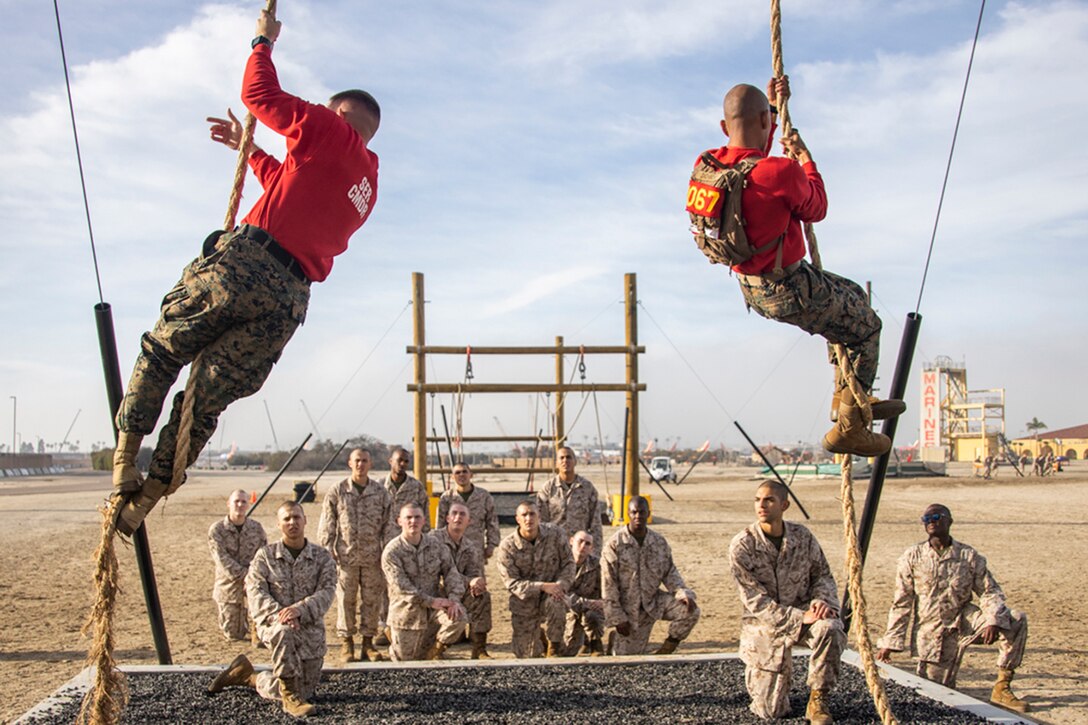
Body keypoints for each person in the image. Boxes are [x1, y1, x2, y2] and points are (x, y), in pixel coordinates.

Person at [110, 9, 381, 536]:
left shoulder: (329, 128)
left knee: (165, 347)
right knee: (205, 402)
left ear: (340, 112)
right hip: (287, 303)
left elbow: (259, 94)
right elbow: (289, 181)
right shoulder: (366, 182)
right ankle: (148, 494)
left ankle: (127, 452)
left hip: (245, 268)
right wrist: (249, 149)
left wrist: (263, 41)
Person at [689, 77, 902, 458]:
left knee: (850, 293)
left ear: (724, 127)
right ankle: (850, 429)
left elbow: (753, 161)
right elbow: (817, 206)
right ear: (763, 122)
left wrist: (771, 107)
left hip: (751, 284)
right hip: (788, 287)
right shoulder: (783, 172)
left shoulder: (709, 164)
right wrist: (806, 159)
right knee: (867, 326)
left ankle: (849, 396)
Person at [876, 504, 1029, 713]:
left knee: (1015, 619)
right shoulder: (912, 557)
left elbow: (989, 590)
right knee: (938, 697)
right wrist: (890, 642)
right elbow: (902, 602)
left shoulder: (968, 556)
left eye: (937, 516)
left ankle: (1002, 687)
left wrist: (992, 619)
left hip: (964, 620)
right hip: (932, 633)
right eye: (926, 518)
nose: (931, 521)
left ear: (949, 521)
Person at [207, 500, 336, 718]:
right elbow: (256, 592)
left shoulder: (322, 557)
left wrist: (299, 610)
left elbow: (327, 591)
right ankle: (290, 699)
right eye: (286, 518)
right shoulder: (264, 557)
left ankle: (248, 676)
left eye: (296, 517)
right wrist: (282, 616)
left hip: (309, 629)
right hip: (274, 625)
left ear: (305, 521)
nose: (292, 522)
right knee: (284, 641)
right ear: (279, 524)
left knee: (306, 690)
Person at [728, 481, 843, 723]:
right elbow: (755, 600)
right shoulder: (742, 546)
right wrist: (799, 617)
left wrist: (821, 602)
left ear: (784, 505)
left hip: (805, 612)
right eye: (758, 499)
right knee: (771, 712)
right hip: (764, 624)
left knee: (830, 628)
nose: (761, 505)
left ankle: (818, 699)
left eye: (769, 500)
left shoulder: (803, 537)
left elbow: (822, 575)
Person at [317, 448, 395, 663]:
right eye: (357, 461)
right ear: (350, 463)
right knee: (345, 601)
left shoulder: (380, 493)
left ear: (370, 464)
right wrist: (327, 548)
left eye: (365, 461)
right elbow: (327, 522)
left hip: (373, 557)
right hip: (345, 558)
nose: (361, 464)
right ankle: (347, 643)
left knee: (372, 601)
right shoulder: (338, 490)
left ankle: (368, 644)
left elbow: (389, 525)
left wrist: (387, 552)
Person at [602, 496, 699, 657]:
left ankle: (667, 649)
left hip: (653, 601)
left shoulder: (658, 542)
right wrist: (617, 618)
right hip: (629, 609)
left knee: (691, 611)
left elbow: (670, 573)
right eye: (634, 512)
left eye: (642, 512)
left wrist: (682, 593)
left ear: (648, 513)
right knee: (627, 660)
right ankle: (615, 641)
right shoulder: (614, 545)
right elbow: (608, 584)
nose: (638, 516)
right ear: (628, 514)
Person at [380, 503, 466, 661]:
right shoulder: (392, 551)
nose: (413, 521)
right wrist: (431, 601)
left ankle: (435, 652)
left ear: (424, 520)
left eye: (417, 517)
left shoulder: (436, 545)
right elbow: (402, 588)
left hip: (433, 612)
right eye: (409, 518)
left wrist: (454, 600)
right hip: (406, 614)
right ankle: (391, 633)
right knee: (405, 662)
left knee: (458, 617)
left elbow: (451, 573)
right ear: (400, 521)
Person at [496, 500, 575, 657]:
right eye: (524, 515)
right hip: (524, 603)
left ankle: (554, 647)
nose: (528, 519)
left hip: (552, 595)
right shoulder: (507, 546)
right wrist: (542, 586)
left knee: (556, 602)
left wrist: (561, 584)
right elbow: (512, 583)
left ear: (539, 516)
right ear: (517, 519)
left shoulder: (556, 534)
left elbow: (569, 563)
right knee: (526, 656)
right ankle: (539, 636)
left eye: (532, 514)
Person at [377, 446, 429, 645]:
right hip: (386, 546)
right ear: (390, 461)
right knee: (384, 589)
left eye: (406, 461)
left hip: (410, 546)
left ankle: (405, 627)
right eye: (399, 460)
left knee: (408, 586)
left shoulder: (416, 487)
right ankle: (384, 627)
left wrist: (424, 541)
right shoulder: (379, 486)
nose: (402, 464)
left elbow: (425, 517)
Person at [431, 500, 494, 659]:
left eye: (462, 514)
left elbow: (473, 572)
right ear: (447, 518)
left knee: (482, 596)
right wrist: (468, 581)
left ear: (469, 521)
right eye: (454, 513)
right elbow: (437, 574)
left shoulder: (470, 546)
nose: (458, 517)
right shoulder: (433, 540)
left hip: (457, 592)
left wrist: (477, 582)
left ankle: (479, 648)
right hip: (435, 593)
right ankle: (437, 650)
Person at [208, 489, 267, 642]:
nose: (240, 505)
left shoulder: (256, 529)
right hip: (229, 587)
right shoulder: (217, 530)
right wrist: (245, 576)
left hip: (254, 584)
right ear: (229, 504)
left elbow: (263, 556)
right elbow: (222, 560)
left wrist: (254, 578)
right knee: (234, 635)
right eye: (236, 501)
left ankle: (256, 624)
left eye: (243, 502)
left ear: (248, 504)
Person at [537, 446, 603, 545]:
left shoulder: (588, 488)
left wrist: (594, 552)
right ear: (556, 463)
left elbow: (596, 524)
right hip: (554, 546)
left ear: (575, 461)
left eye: (569, 457)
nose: (565, 460)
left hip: (580, 547)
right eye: (561, 458)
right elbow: (541, 523)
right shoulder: (548, 489)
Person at [436, 462, 500, 561]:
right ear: (452, 477)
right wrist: (440, 546)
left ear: (471, 474)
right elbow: (440, 524)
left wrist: (491, 545)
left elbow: (492, 522)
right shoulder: (447, 498)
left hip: (476, 549)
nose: (461, 475)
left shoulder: (484, 496)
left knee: (476, 576)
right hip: (452, 550)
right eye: (457, 473)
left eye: (464, 472)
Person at [564, 530, 605, 656]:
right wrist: (587, 603)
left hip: (588, 611)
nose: (583, 546)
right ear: (571, 541)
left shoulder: (598, 565)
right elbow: (562, 594)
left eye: (587, 544)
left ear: (591, 548)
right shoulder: (560, 562)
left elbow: (607, 588)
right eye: (580, 541)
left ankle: (595, 644)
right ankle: (548, 641)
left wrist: (603, 602)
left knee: (593, 616)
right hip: (565, 610)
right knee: (566, 653)